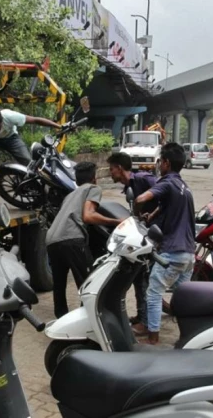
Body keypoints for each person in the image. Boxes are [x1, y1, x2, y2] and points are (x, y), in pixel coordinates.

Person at [132, 143, 196, 344]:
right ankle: (189, 335)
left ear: (167, 163)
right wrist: (150, 215)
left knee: (153, 293)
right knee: (182, 297)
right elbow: (166, 207)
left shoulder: (167, 182)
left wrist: (135, 208)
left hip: (172, 251)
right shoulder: (184, 188)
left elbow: (143, 197)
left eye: (160, 161)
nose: (158, 164)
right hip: (188, 254)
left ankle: (152, 339)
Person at [46, 161, 123, 318]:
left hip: (52, 240)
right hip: (72, 239)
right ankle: (88, 320)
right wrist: (116, 221)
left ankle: (61, 320)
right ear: (94, 178)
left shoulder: (69, 195)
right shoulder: (93, 188)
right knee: (89, 283)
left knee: (59, 285)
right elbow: (88, 216)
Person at [107, 152, 159, 333]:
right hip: (145, 236)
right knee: (138, 277)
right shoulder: (130, 187)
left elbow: (165, 195)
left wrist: (152, 216)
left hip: (156, 235)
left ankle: (146, 322)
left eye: (111, 169)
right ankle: (141, 315)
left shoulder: (144, 179)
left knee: (144, 278)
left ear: (120, 168)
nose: (110, 173)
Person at [0, 107, 61, 175]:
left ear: (2, 120)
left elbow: (36, 120)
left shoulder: (10, 116)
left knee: (28, 162)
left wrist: (59, 126)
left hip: (11, 137)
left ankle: (32, 185)